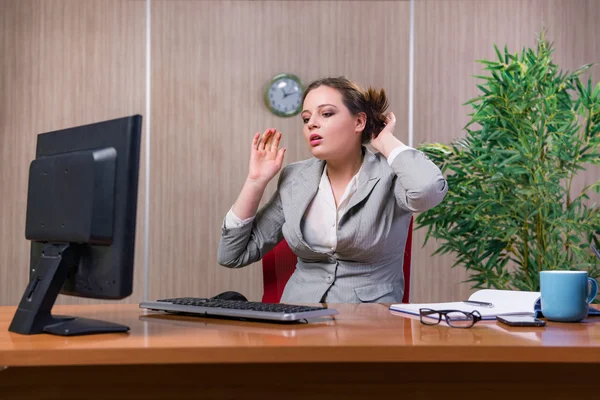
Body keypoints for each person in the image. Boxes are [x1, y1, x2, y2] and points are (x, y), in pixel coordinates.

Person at [218, 76, 447, 303]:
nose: (311, 124)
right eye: (306, 118)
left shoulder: (392, 175)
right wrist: (255, 181)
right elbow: (232, 255)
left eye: (326, 114)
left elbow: (428, 191)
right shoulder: (295, 178)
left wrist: (385, 142)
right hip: (298, 319)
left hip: (369, 324)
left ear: (359, 122)